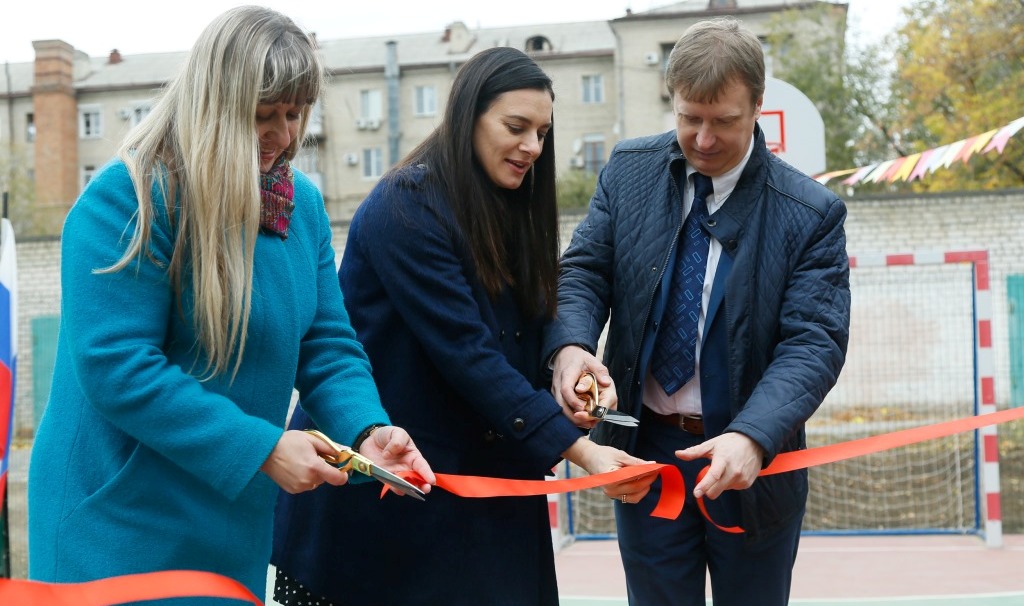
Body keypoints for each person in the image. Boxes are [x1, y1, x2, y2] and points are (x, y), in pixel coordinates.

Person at [27, 6, 434, 602]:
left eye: (294, 114)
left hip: (226, 517)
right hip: (117, 526)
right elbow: (116, 366)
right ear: (212, 106)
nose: (284, 135)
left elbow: (327, 344)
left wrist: (366, 429)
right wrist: (262, 446)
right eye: (263, 116)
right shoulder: (127, 197)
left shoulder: (301, 208)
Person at [271, 46, 654, 606]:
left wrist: (566, 360)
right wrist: (584, 451)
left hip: (488, 494)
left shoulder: (514, 203)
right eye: (516, 127)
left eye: (542, 132)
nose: (532, 147)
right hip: (390, 494)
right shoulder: (406, 205)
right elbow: (470, 354)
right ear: (467, 116)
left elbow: (537, 311)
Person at [544, 17, 851, 606]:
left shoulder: (811, 214)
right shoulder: (629, 170)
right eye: (689, 118)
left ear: (759, 106)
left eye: (724, 122)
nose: (704, 139)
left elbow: (814, 341)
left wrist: (753, 436)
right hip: (647, 457)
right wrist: (572, 347)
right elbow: (584, 270)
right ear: (672, 100)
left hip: (752, 465)